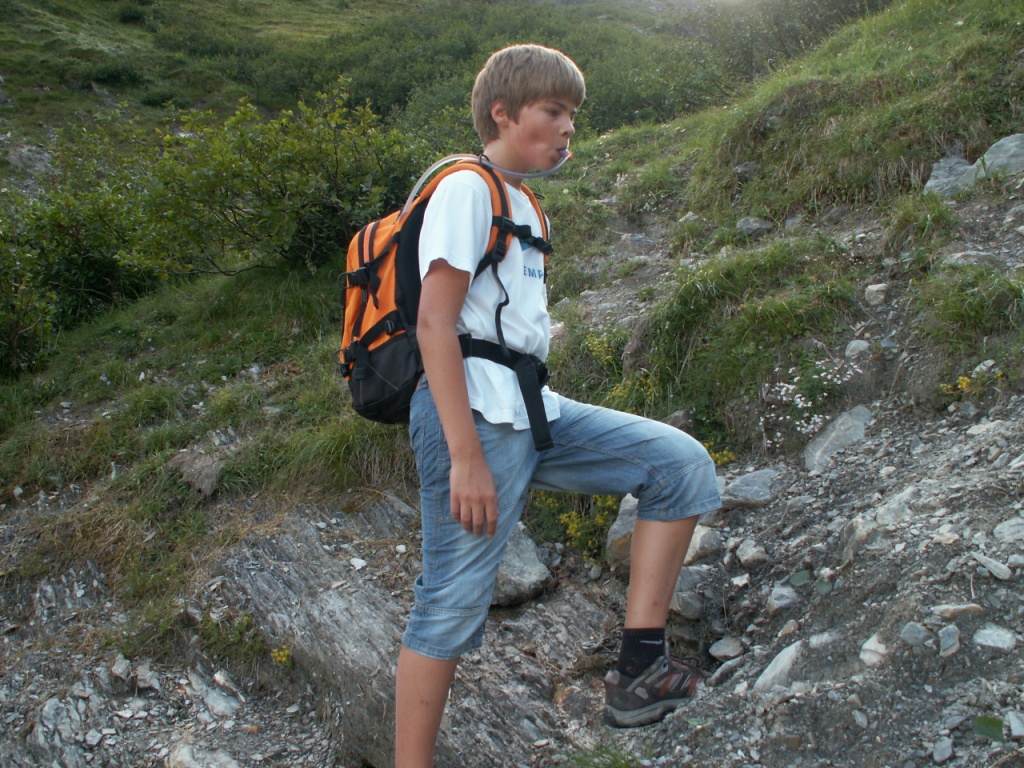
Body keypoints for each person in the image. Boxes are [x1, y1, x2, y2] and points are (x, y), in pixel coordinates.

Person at [394, 43, 722, 767]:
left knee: (679, 466)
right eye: (554, 110)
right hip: (473, 419)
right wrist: (466, 458)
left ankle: (639, 674)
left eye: (573, 113)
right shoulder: (467, 188)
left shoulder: (523, 201)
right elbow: (434, 325)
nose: (569, 126)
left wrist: (535, 345)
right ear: (503, 113)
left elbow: (494, 317)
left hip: (528, 407)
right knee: (449, 603)